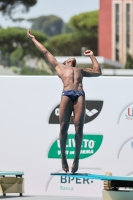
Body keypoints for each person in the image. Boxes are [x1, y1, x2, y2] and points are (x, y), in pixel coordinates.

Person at [27, 30, 102, 173]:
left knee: (79, 128)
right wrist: (33, 39)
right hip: (67, 94)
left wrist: (92, 56)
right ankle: (63, 157)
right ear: (66, 62)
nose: (72, 58)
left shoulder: (80, 70)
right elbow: (45, 51)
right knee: (63, 127)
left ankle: (77, 158)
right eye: (69, 58)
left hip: (79, 94)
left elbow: (98, 72)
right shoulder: (59, 67)